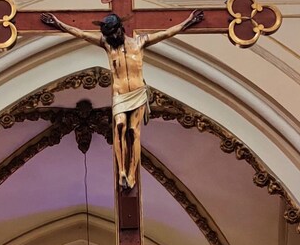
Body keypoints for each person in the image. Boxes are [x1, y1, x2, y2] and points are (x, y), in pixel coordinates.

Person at [40, 10, 204, 189]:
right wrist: (58, 24)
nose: (110, 37)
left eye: (112, 33)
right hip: (119, 95)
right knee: (119, 126)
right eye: (107, 35)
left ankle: (131, 173)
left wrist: (187, 22)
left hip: (137, 93)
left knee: (133, 131)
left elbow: (166, 33)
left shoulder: (140, 42)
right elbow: (81, 33)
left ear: (120, 29)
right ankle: (122, 172)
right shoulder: (108, 45)